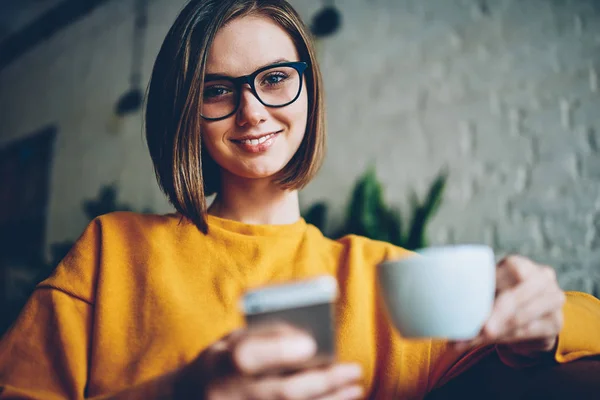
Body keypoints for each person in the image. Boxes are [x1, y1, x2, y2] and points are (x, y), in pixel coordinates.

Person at [1, 0, 600, 398]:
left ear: (308, 89)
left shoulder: (381, 276)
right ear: (185, 112)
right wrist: (180, 391)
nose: (252, 109)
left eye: (275, 78)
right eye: (217, 89)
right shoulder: (112, 248)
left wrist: (547, 324)